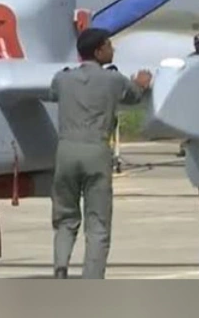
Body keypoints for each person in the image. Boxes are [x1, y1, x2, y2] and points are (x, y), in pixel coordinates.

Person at [47, 27, 152, 279]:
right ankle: (92, 280)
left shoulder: (62, 78)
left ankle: (60, 266)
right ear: (98, 51)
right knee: (98, 224)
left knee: (65, 218)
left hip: (66, 152)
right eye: (108, 45)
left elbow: (52, 93)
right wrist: (141, 83)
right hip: (96, 151)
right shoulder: (113, 80)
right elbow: (134, 96)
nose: (112, 49)